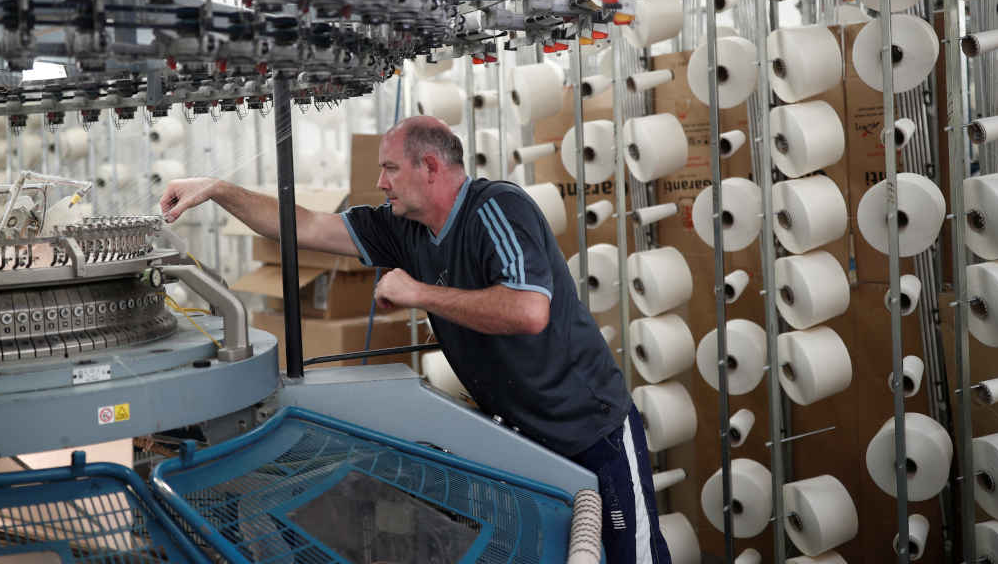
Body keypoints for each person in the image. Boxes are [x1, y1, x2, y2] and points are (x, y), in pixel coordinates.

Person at [160, 115, 671, 563]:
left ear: (430, 166)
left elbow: (530, 311)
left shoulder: (497, 210)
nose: (380, 181)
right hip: (525, 436)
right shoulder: (403, 228)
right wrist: (218, 190)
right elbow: (306, 226)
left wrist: (416, 291)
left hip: (589, 428)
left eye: (390, 168)